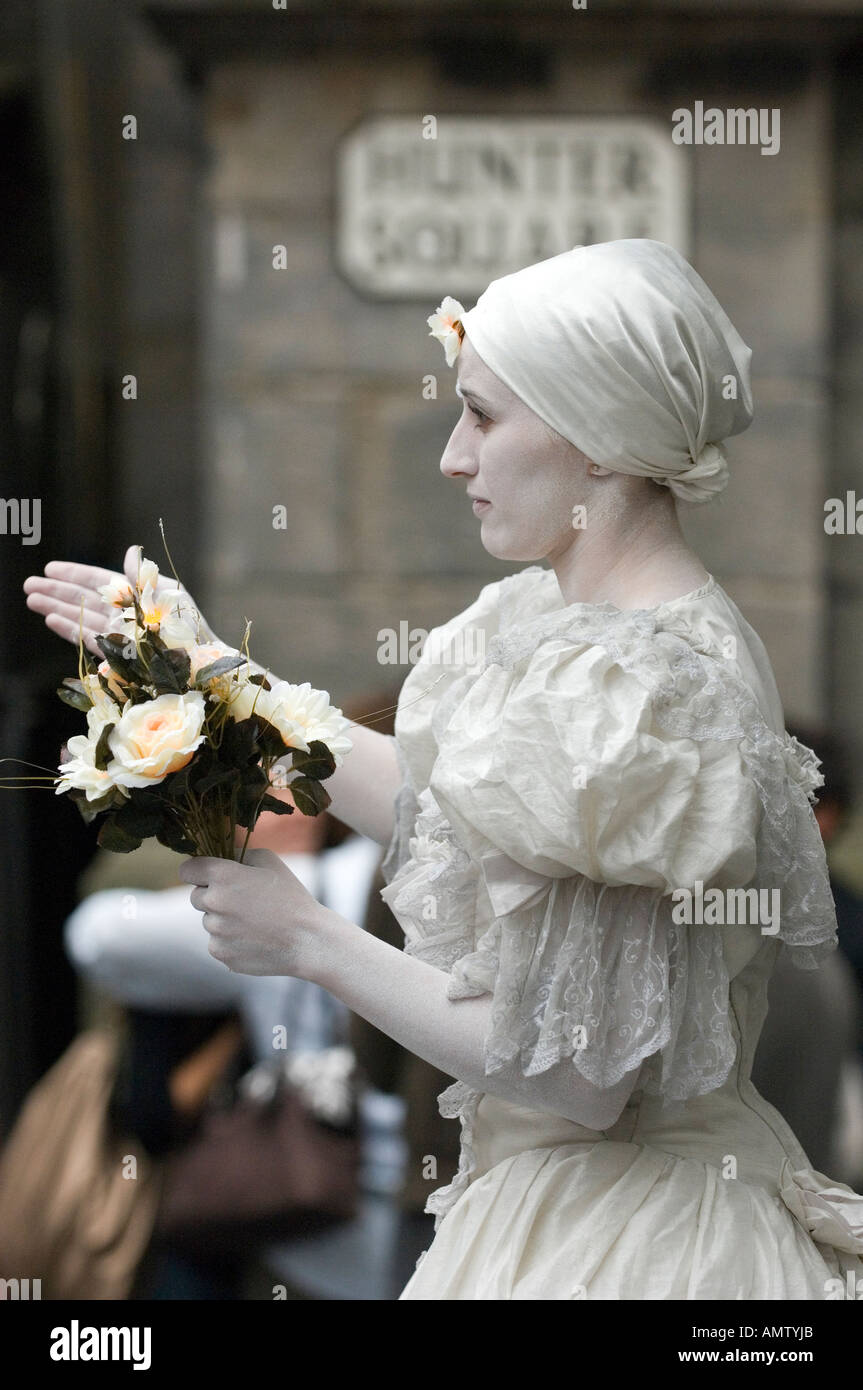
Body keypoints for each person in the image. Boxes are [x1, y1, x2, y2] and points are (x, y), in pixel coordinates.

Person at [24, 238, 863, 1299]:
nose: (452, 458)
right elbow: (447, 808)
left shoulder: (644, 682)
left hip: (626, 1240)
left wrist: (311, 942)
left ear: (595, 440)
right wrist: (215, 672)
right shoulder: (559, 620)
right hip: (561, 1204)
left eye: (482, 415)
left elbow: (580, 1079)